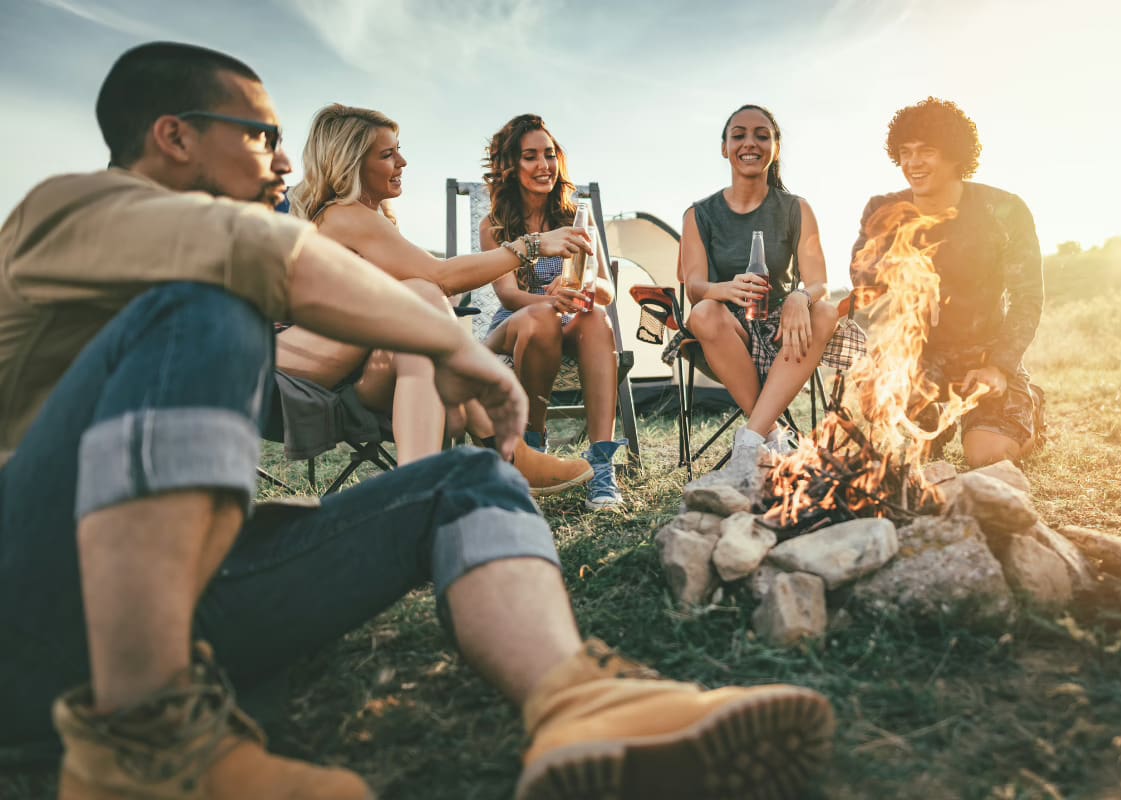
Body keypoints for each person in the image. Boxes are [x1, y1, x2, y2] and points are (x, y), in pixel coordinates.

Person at [0, 42, 836, 799]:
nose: (284, 157)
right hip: (28, 597)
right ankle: (146, 748)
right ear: (174, 136)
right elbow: (261, 257)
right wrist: (456, 347)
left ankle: (577, 700)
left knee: (466, 478)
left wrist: (434, 336)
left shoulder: (266, 235)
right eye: (259, 134)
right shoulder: (66, 210)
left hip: (195, 610)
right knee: (205, 304)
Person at [277, 103, 594, 496]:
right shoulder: (343, 215)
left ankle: (420, 499)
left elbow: (438, 280)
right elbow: (439, 277)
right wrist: (531, 245)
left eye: (399, 149)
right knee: (423, 294)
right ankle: (505, 448)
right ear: (353, 164)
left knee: (421, 342)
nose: (403, 161)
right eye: (387, 153)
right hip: (293, 368)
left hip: (353, 377)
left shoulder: (371, 220)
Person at [850, 97, 1044, 468]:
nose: (913, 163)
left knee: (986, 456)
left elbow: (1027, 297)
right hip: (916, 359)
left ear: (956, 155)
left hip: (984, 357)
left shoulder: (1004, 210)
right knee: (897, 453)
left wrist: (1000, 367)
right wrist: (909, 281)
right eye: (905, 152)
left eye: (927, 151)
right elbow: (862, 276)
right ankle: (933, 427)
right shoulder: (882, 209)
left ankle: (1029, 408)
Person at [678, 104, 839, 468]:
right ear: (724, 148)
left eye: (761, 135)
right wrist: (723, 289)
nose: (749, 143)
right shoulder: (699, 214)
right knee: (703, 312)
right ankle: (770, 434)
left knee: (826, 310)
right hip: (726, 334)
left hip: (784, 333)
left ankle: (752, 440)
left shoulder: (796, 208)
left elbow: (819, 282)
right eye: (739, 135)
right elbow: (695, 285)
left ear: (775, 148)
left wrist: (800, 296)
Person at [479, 114, 627, 510]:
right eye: (530, 157)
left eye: (549, 155)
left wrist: (585, 286)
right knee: (542, 317)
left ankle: (601, 464)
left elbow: (606, 291)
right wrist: (550, 301)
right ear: (510, 165)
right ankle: (533, 446)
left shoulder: (576, 217)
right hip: (516, 324)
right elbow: (509, 296)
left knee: (595, 316)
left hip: (569, 322)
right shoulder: (495, 225)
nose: (543, 166)